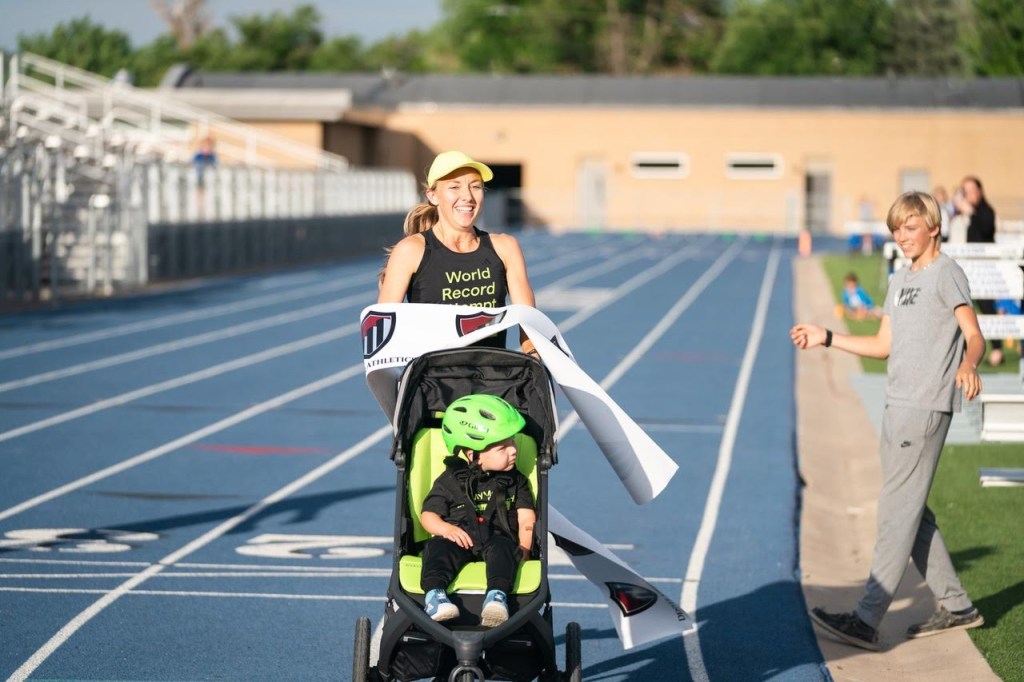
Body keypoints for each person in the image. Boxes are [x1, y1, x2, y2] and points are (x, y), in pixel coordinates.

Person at [791, 191, 986, 651]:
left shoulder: (947, 274)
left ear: (934, 227)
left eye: (911, 227)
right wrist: (828, 337)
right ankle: (957, 605)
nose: (902, 236)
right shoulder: (899, 279)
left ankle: (866, 618)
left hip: (925, 407)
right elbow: (883, 346)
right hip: (896, 405)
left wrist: (969, 365)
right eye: (896, 229)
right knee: (911, 511)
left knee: (896, 512)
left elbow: (973, 335)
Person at [378, 151, 538, 354]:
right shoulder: (410, 251)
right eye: (454, 187)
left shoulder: (505, 247)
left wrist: (534, 359)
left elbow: (529, 323)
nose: (468, 197)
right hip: (434, 381)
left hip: (492, 380)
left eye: (476, 187)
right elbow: (383, 330)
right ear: (433, 195)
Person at [419, 394, 536, 627]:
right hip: (458, 538)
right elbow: (428, 515)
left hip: (498, 538)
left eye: (512, 442)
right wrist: (445, 529)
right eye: (503, 447)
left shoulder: (516, 480)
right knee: (437, 549)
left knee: (504, 551)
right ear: (473, 455)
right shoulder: (450, 479)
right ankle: (435, 595)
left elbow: (526, 517)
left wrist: (524, 548)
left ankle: (496, 598)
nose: (513, 450)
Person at [960, 175, 1003, 365]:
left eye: (971, 191)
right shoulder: (965, 214)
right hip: (969, 267)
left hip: (985, 269)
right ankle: (964, 350)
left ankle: (997, 349)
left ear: (979, 191)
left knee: (988, 308)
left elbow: (986, 231)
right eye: (965, 192)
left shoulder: (985, 212)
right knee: (964, 309)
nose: (968, 195)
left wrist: (971, 213)